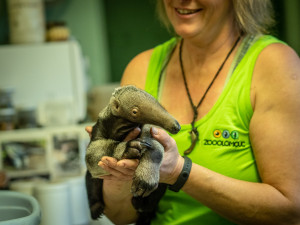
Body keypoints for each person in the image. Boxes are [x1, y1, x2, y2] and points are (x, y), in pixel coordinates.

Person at [86, 0, 300, 224]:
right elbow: (121, 216)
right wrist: (115, 175)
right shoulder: (141, 68)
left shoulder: (275, 65)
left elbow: (291, 213)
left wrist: (180, 172)